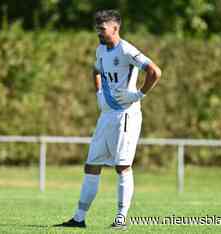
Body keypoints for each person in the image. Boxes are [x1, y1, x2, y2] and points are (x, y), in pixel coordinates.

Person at [54, 9, 162, 230]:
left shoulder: (126, 50)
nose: (99, 32)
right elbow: (96, 70)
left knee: (122, 166)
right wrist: (99, 93)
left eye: (102, 29)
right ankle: (78, 218)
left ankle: (121, 218)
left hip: (126, 116)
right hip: (106, 117)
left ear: (115, 28)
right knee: (92, 165)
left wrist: (139, 94)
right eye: (97, 29)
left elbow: (155, 71)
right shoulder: (101, 50)